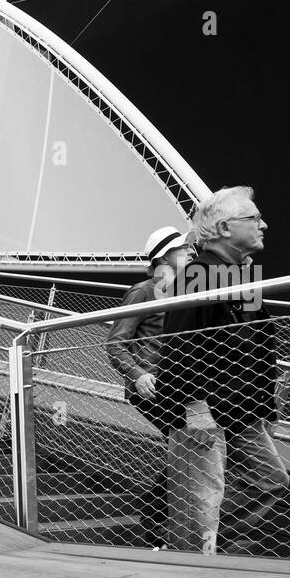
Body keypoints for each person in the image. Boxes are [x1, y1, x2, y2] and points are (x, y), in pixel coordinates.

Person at [158, 186, 288, 555]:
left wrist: (265, 408)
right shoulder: (200, 273)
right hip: (207, 410)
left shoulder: (240, 274)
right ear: (226, 228)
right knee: (201, 500)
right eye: (255, 218)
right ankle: (189, 556)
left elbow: (257, 342)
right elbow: (180, 344)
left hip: (243, 411)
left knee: (271, 480)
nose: (264, 224)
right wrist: (193, 406)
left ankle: (191, 540)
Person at [105, 225, 193, 548]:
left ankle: (158, 517)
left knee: (187, 447)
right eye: (182, 249)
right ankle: (158, 517)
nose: (189, 252)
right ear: (163, 257)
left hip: (177, 386)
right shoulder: (142, 291)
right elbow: (115, 344)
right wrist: (138, 374)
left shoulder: (182, 290)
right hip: (151, 388)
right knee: (188, 445)